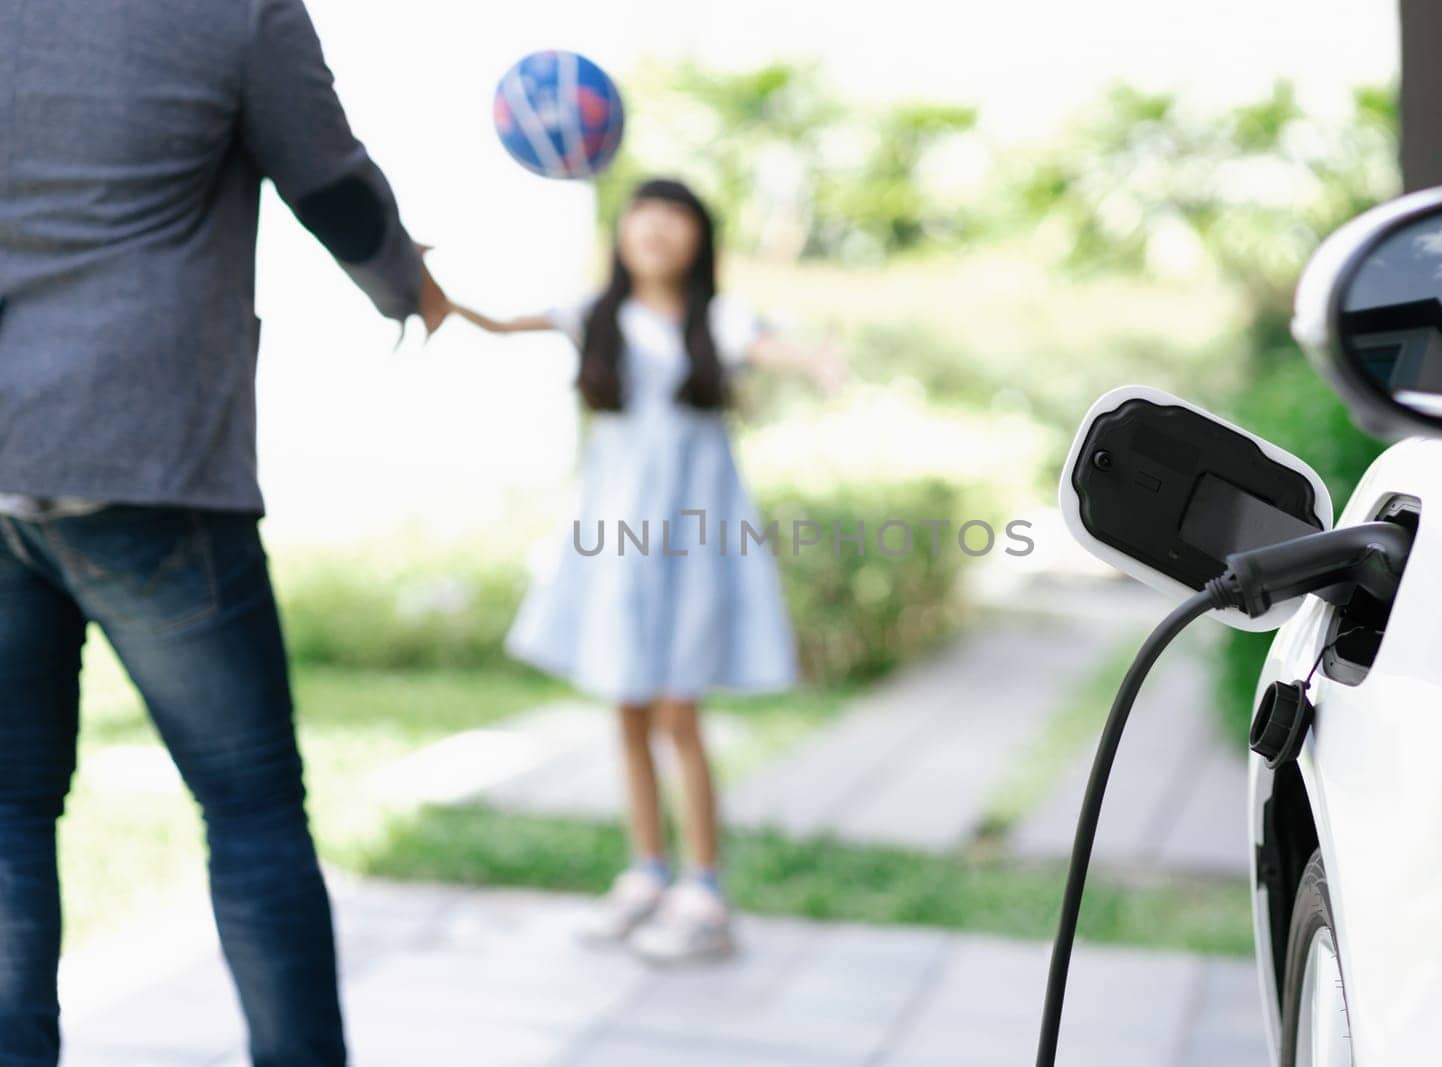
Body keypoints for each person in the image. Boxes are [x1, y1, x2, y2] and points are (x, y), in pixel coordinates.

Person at [0, 1, 449, 1062]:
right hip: (147, 461)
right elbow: (332, 186)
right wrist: (409, 288)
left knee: (9, 812)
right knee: (252, 810)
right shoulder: (234, 9)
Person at [451, 178, 842, 962]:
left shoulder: (718, 321)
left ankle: (705, 888)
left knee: (677, 711)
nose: (657, 227)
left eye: (676, 215)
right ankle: (646, 871)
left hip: (692, 539)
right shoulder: (595, 315)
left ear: (700, 237)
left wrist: (820, 362)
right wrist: (417, 279)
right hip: (616, 539)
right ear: (622, 231)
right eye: (644, 213)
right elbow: (493, 320)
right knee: (626, 704)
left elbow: (774, 347)